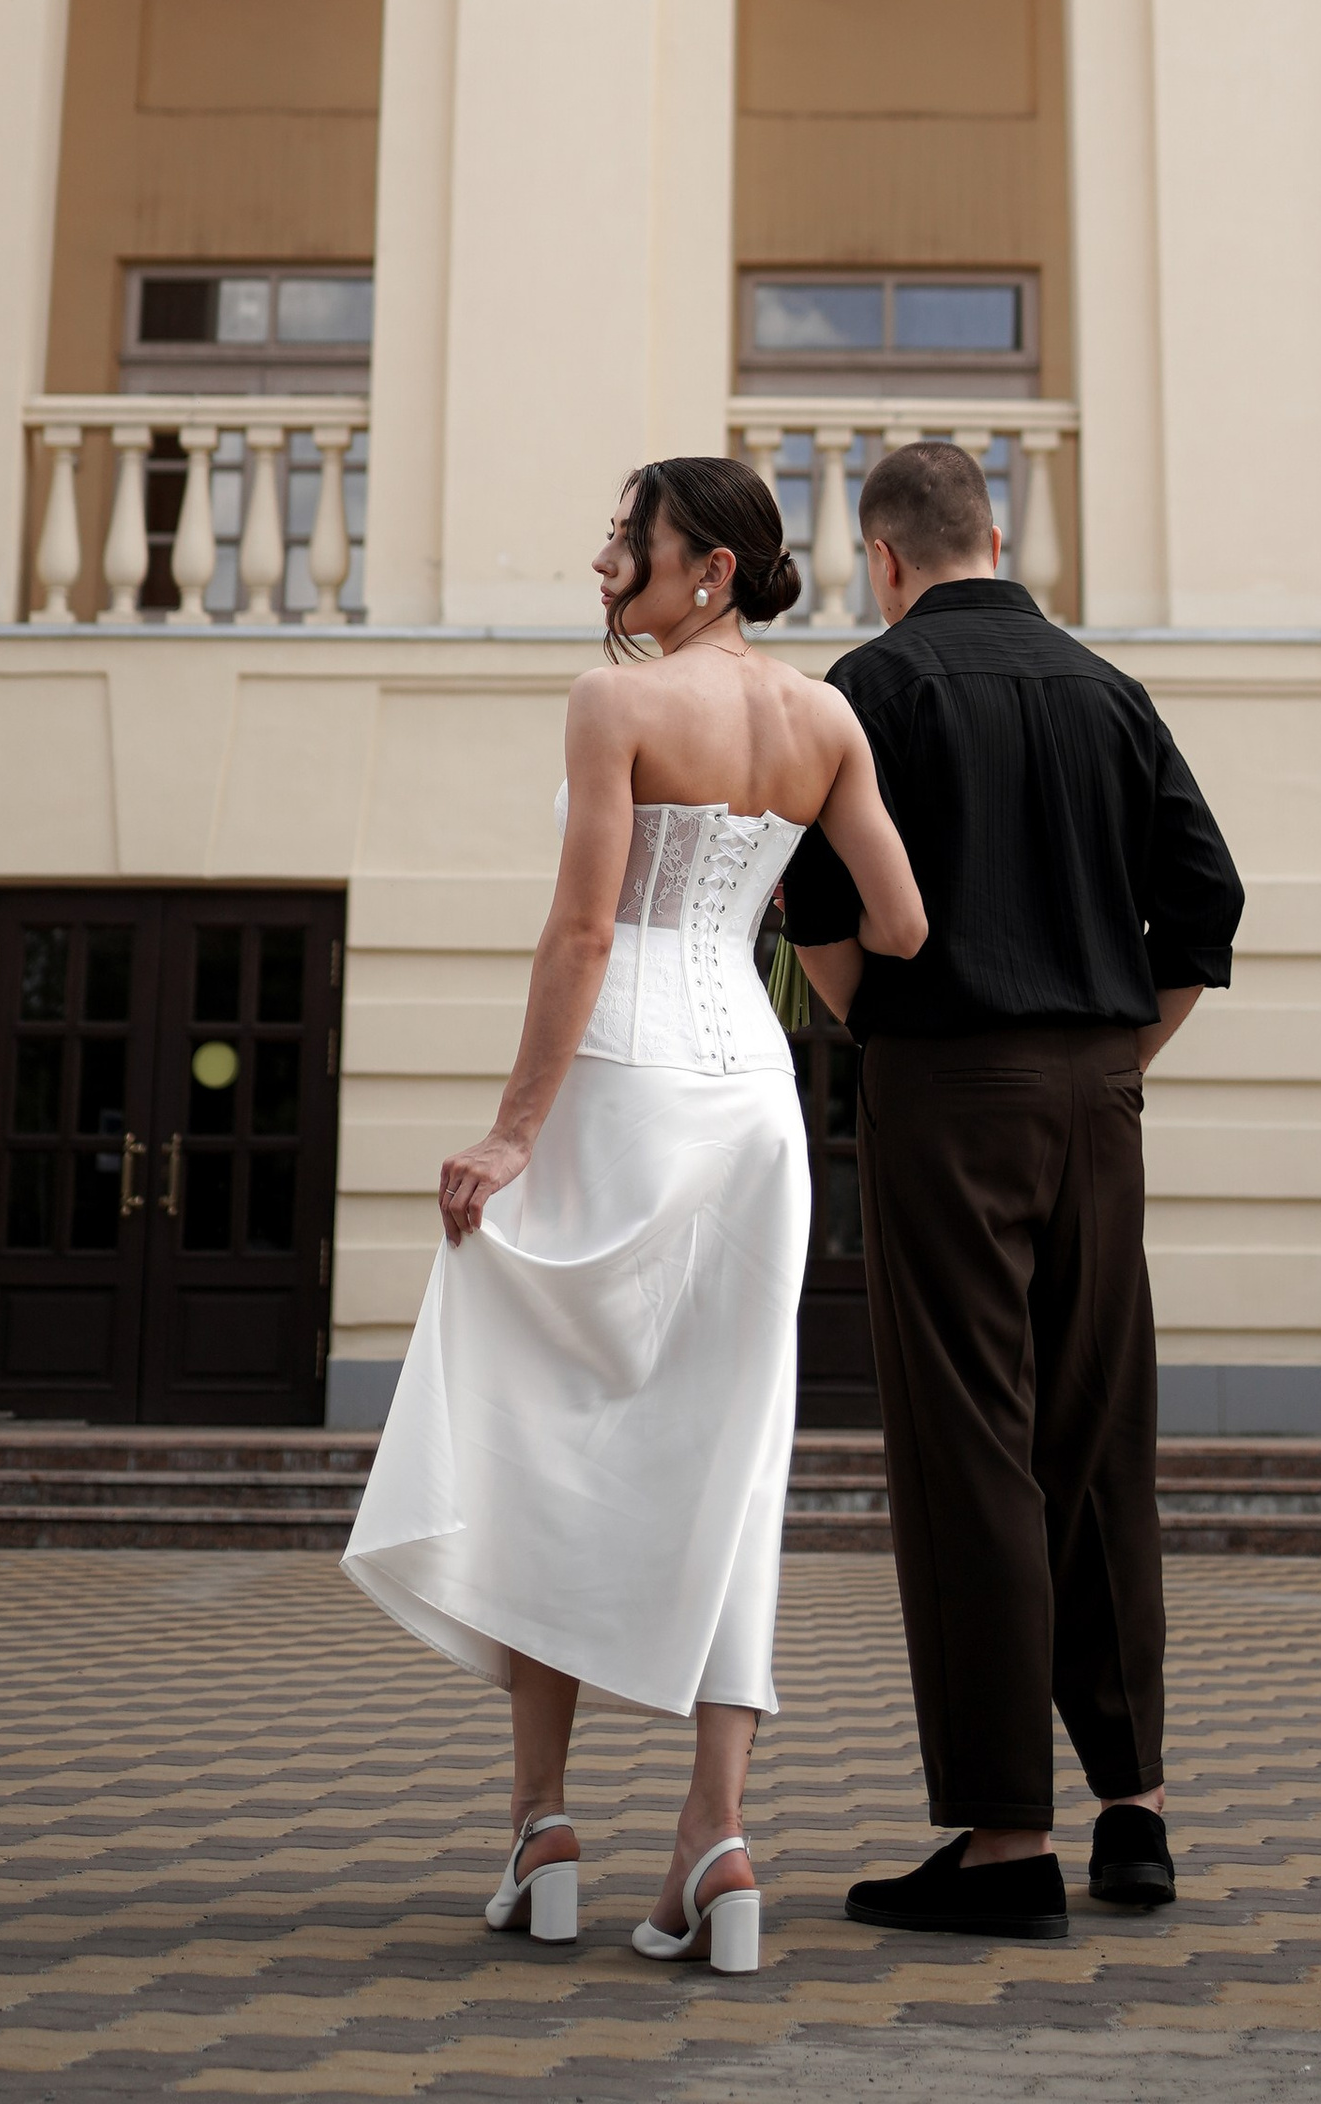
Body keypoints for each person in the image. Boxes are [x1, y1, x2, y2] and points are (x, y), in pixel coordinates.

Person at [340, 453, 925, 1974]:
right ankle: (715, 1840)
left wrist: (511, 1130)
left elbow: (585, 929)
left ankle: (542, 1823)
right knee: (735, 1455)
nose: (609, 562)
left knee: (543, 1428)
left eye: (631, 540)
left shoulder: (616, 704)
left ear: (708, 568)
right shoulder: (829, 719)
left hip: (618, 1084)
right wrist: (764, 899)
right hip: (753, 1101)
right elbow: (903, 921)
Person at [781, 437, 1243, 1942]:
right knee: (1101, 1435)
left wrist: (882, 1029)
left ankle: (1003, 1842)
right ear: (995, 537)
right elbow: (1209, 902)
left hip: (943, 1085)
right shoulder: (1112, 691)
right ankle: (1137, 1812)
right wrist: (1117, 1058)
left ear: (885, 557)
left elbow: (820, 909)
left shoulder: (870, 687)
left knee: (970, 1444)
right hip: (1099, 1092)